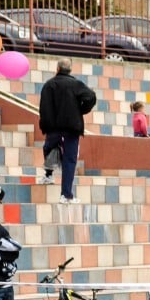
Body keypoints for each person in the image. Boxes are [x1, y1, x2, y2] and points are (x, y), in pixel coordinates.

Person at [38, 58, 97, 202]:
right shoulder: (76, 84)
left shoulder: (48, 85)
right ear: (70, 70)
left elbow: (43, 107)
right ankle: (66, 195)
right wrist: (81, 110)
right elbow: (91, 97)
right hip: (72, 127)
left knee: (48, 147)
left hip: (53, 127)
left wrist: (45, 125)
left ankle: (48, 174)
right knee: (69, 160)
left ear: (57, 69)